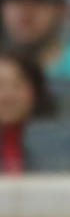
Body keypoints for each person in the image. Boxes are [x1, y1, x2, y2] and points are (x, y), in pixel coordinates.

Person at [0, 45, 52, 174]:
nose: (8, 95)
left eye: (17, 85)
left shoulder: (62, 140)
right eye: (0, 86)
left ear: (36, 91)